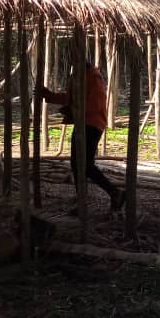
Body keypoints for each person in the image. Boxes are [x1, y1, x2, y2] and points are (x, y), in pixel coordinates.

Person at [38, 62, 125, 211]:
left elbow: (96, 104)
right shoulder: (79, 76)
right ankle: (86, 201)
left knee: (84, 164)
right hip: (82, 123)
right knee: (77, 164)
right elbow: (71, 98)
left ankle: (114, 192)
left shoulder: (93, 77)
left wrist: (73, 110)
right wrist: (49, 95)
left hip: (92, 124)